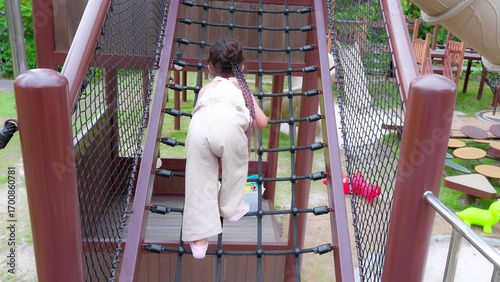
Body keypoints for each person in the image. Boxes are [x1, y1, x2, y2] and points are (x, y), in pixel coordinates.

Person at [182, 39, 268, 259]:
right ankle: (231, 208)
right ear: (242, 68)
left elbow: (204, 114)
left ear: (209, 68)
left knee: (199, 179)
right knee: (236, 167)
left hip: (199, 129)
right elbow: (261, 122)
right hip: (228, 129)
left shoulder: (206, 88)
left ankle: (199, 242)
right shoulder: (242, 89)